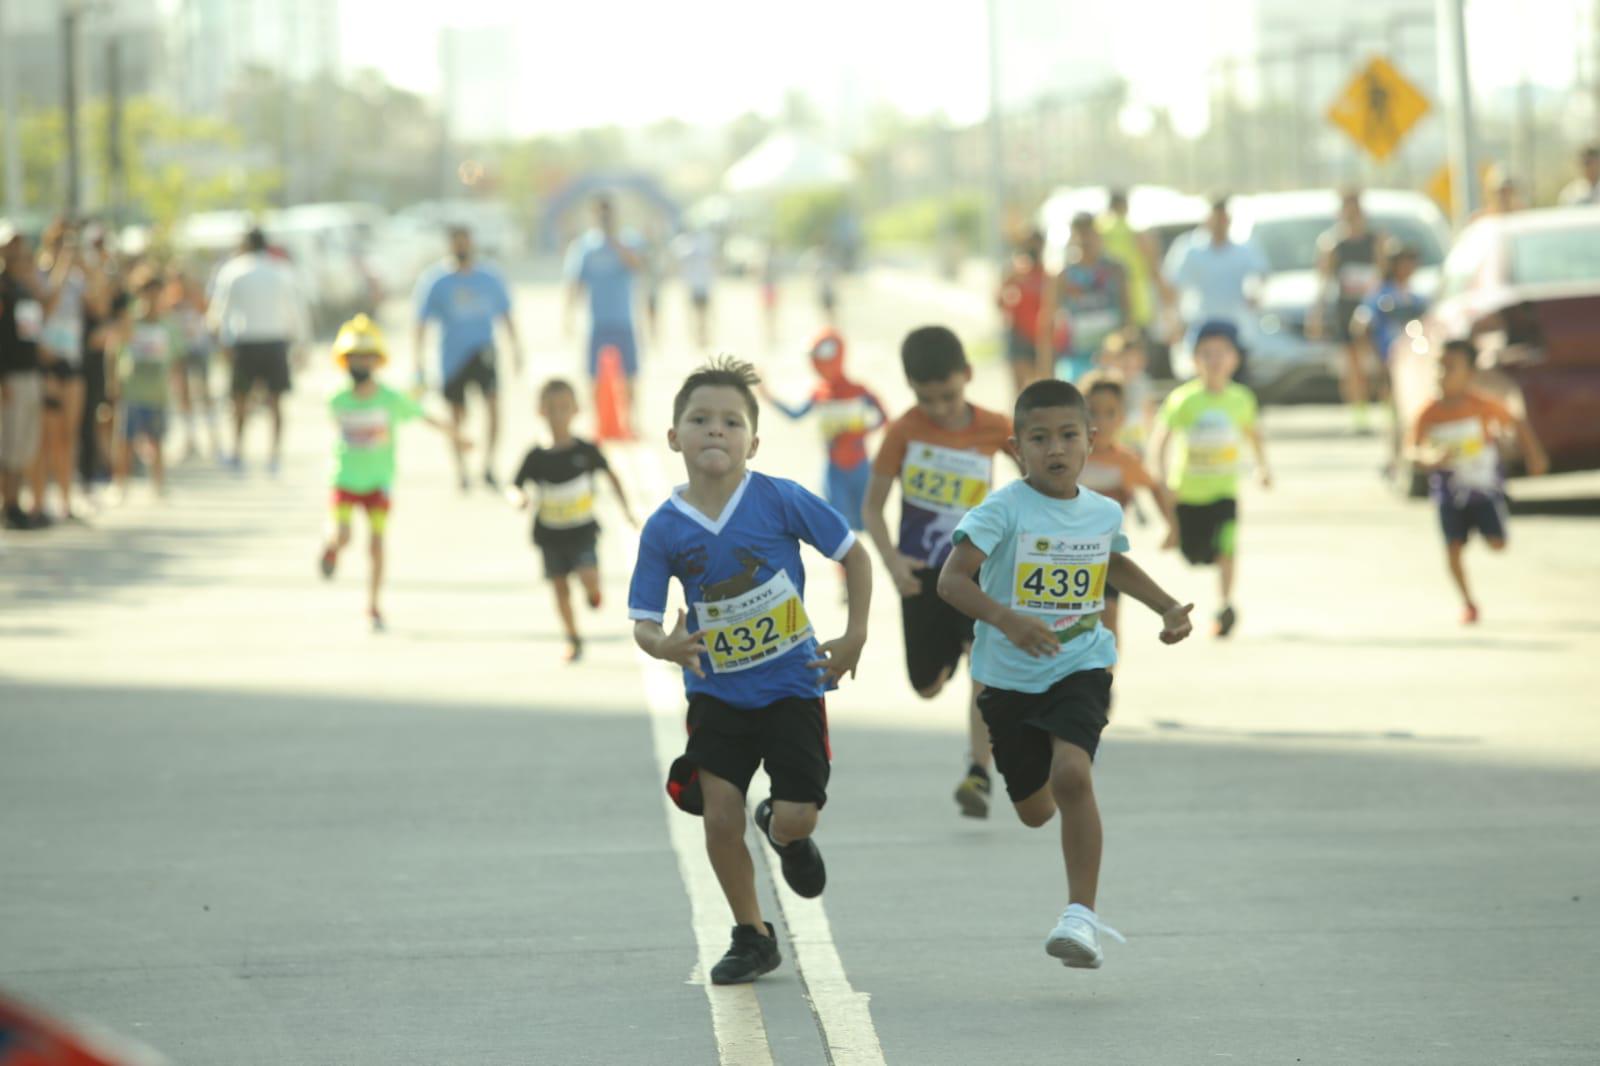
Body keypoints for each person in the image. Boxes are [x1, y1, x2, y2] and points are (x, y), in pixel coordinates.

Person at [629, 356, 872, 985]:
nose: (716, 430)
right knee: (718, 816)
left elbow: (854, 554)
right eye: (700, 419)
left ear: (754, 442)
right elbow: (644, 620)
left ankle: (784, 833)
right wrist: (664, 646)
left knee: (797, 814)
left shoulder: (779, 499)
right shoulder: (664, 529)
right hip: (717, 694)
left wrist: (855, 635)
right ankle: (752, 934)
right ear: (674, 437)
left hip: (792, 685)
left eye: (731, 422)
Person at [937, 378, 1194, 969]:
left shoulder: (1102, 512)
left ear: (1091, 441)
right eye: (1040, 438)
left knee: (1074, 775)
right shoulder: (1002, 510)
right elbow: (952, 581)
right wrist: (1007, 620)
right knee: (1035, 811)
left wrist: (1165, 605)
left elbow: (1113, 564)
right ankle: (1048, 790)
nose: (1055, 449)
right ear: (1016, 448)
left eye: (1068, 435)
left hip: (1082, 662)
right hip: (1008, 678)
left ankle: (1081, 917)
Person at [864, 326, 1014, 819]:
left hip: (977, 570)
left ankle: (978, 771)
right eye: (927, 399)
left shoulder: (995, 426)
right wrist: (892, 561)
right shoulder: (904, 431)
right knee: (926, 685)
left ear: (967, 375)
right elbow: (872, 507)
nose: (941, 409)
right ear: (910, 388)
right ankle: (948, 657)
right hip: (922, 573)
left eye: (949, 396)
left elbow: (1037, 476)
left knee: (983, 668)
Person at [320, 315, 466, 632]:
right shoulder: (337, 399)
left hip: (379, 483)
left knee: (376, 544)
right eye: (353, 358)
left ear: (376, 361)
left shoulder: (389, 399)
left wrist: (456, 436)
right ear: (344, 361)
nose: (360, 364)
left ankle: (373, 605)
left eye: (366, 357)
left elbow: (424, 416)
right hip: (345, 480)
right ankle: (331, 547)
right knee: (343, 535)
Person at [1407, 339, 1548, 624]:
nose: (1442, 373)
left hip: (1483, 490)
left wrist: (1534, 455)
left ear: (1470, 374)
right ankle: (1468, 602)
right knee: (1452, 548)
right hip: (1449, 493)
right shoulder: (1428, 412)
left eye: (1451, 367)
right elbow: (1411, 450)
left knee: (1497, 544)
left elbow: (1517, 422)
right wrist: (1428, 457)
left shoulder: (1482, 406)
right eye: (1439, 366)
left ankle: (1488, 529)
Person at [1148, 320, 1271, 638]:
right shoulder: (1183, 400)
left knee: (1227, 547)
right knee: (1194, 556)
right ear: (1194, 360)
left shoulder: (1241, 398)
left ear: (1235, 359)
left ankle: (1225, 605)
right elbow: (1161, 439)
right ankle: (1175, 531)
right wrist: (1159, 475)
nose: (1215, 360)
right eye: (1206, 353)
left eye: (1222, 353)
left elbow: (1253, 434)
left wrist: (1263, 468)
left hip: (1224, 491)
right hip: (1187, 492)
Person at [508, 378, 637, 663]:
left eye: (564, 407)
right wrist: (519, 499)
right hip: (550, 534)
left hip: (582, 530)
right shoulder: (536, 456)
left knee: (588, 574)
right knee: (560, 588)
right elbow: (514, 485)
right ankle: (573, 638)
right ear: (540, 411)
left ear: (576, 409)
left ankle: (593, 592)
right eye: (551, 408)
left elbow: (611, 475)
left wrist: (627, 511)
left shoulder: (585, 450)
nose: (558, 415)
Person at [413, 225, 522, 490]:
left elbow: (506, 314)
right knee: (457, 416)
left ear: (472, 243)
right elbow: (421, 322)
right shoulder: (436, 281)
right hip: (452, 358)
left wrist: (516, 349)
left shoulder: (489, 277)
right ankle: (461, 469)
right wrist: (418, 361)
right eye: (456, 242)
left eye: (465, 241)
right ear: (450, 245)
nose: (461, 247)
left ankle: (489, 464)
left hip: (483, 351)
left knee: (493, 407)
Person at [1077, 374, 1179, 642]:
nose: (1100, 422)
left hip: (1108, 557)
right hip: (1063, 555)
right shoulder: (1069, 457)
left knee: (1109, 617)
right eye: (1092, 412)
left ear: (1122, 418)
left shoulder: (1125, 462)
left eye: (1109, 413)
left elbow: (1153, 487)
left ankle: (1109, 669)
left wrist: (1171, 526)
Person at [757, 328, 886, 533]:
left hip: (860, 465)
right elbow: (795, 414)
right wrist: (768, 396)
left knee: (866, 521)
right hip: (834, 468)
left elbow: (883, 418)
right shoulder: (820, 393)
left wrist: (861, 432)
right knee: (838, 524)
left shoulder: (858, 391)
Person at [207, 227, 312, 474]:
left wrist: (222, 344)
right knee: (276, 402)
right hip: (274, 341)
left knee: (240, 400)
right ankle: (274, 455)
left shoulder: (232, 271)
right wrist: (301, 343)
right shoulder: (280, 270)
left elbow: (219, 313)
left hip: (245, 342)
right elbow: (295, 310)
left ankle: (238, 452)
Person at [1164, 194, 1270, 376]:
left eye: (1224, 219)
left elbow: (1260, 276)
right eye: (1216, 218)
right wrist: (1173, 322)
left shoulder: (1244, 250)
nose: (1220, 224)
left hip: (1237, 327)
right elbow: (1174, 287)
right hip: (1201, 326)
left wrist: (1255, 293)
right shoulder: (1191, 250)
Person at [565, 196, 644, 429]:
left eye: (608, 212)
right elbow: (575, 282)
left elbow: (637, 266)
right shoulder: (584, 247)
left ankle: (630, 421)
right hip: (597, 321)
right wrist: (568, 315)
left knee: (629, 374)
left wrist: (616, 242)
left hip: (623, 320)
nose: (604, 217)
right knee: (594, 376)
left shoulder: (628, 241)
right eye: (600, 213)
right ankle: (597, 422)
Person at [1311, 189, 1384, 434]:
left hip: (1373, 309)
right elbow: (1323, 281)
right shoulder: (1333, 244)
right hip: (1346, 309)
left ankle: (1387, 410)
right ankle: (1359, 415)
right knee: (1352, 366)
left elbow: (1384, 273)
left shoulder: (1376, 241)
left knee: (1377, 363)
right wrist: (1317, 313)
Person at [105, 270, 182, 501]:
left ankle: (158, 485)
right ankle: (120, 484)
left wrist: (177, 388)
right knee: (125, 441)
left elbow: (176, 360)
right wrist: (113, 382)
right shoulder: (130, 322)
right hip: (132, 390)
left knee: (157, 441)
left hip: (158, 392)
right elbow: (113, 351)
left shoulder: (168, 325)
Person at [1352, 241, 1428, 476]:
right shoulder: (1381, 295)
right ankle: (1394, 459)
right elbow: (1361, 326)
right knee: (1395, 411)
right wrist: (1373, 359)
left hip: (1416, 364)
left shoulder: (1414, 297)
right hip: (1390, 361)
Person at [1039, 214, 1130, 384]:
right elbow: (1048, 321)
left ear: (1098, 236)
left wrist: (1128, 353)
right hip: (1075, 359)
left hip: (1112, 357)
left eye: (1089, 234)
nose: (1085, 240)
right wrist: (1045, 370)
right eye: (1080, 235)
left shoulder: (1115, 270)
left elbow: (1128, 312)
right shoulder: (1063, 275)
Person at [0, 223, 47, 531]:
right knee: (10, 443)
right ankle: (9, 504)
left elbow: (33, 331)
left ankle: (16, 502)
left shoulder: (25, 289)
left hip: (30, 373)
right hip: (11, 377)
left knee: (24, 445)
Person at [1097, 189, 1174, 347]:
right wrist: (1165, 293)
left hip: (1106, 302)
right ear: (1125, 206)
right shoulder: (1135, 232)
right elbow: (1152, 266)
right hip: (1137, 300)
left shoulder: (1099, 231)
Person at [170, 272, 219, 461]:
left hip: (198, 349)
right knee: (184, 396)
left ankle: (214, 439)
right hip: (180, 351)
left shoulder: (197, 299)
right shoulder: (172, 302)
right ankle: (190, 440)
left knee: (204, 393)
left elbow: (209, 314)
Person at [998, 230, 1048, 394]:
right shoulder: (1016, 271)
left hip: (1042, 336)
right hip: (1019, 334)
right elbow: (1000, 302)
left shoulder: (1049, 274)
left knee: (1041, 388)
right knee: (1020, 390)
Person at [675, 229, 717, 348]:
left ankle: (703, 336)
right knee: (693, 313)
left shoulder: (706, 241)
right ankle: (697, 337)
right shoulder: (684, 242)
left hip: (704, 284)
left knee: (704, 313)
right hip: (692, 284)